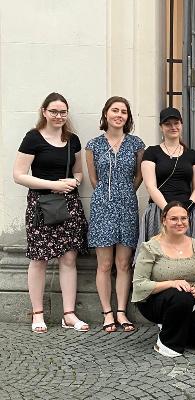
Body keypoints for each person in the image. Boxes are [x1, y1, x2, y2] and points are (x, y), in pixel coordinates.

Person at [13, 92, 89, 333]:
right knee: (39, 258)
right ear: (44, 112)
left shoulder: (72, 140)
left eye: (63, 112)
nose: (58, 116)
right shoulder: (33, 138)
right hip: (41, 204)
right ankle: (37, 313)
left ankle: (69, 314)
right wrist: (54, 184)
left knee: (69, 258)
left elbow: (78, 173)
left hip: (68, 203)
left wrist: (73, 182)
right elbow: (19, 175)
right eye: (54, 111)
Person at [86, 96, 145, 333]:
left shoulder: (136, 144)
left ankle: (121, 311)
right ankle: (106, 313)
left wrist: (127, 191)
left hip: (127, 204)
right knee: (104, 264)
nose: (119, 115)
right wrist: (105, 195)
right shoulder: (93, 145)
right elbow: (93, 179)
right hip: (102, 206)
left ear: (128, 117)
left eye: (124, 111)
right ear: (106, 114)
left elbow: (140, 174)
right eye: (115, 110)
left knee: (123, 263)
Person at [132, 201, 195, 357]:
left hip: (190, 300)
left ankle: (174, 324)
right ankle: (167, 343)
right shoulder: (150, 247)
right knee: (181, 296)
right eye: (174, 219)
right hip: (156, 302)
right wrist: (172, 283)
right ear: (164, 220)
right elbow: (139, 285)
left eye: (183, 218)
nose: (180, 223)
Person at [140, 107, 195, 245]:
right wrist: (168, 211)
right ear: (161, 127)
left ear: (181, 125)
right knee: (158, 254)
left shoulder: (192, 155)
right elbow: (150, 186)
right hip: (159, 210)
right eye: (168, 124)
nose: (173, 127)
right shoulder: (151, 152)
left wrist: (187, 209)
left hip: (186, 211)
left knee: (188, 253)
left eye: (176, 123)